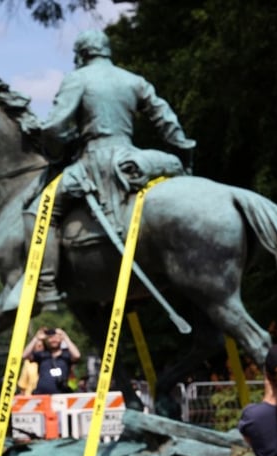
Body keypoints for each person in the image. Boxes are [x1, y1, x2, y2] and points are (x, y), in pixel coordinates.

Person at [28, 29, 197, 305]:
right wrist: (184, 151)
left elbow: (55, 126)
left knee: (39, 211)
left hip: (94, 160)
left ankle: (46, 285)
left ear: (82, 54)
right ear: (106, 51)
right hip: (134, 156)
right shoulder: (133, 80)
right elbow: (166, 120)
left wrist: (56, 147)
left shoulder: (77, 79)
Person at [21, 327, 81, 395]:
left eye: (56, 338)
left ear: (61, 339)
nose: (54, 340)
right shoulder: (42, 355)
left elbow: (77, 355)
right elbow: (24, 355)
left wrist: (65, 337)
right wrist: (36, 338)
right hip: (41, 395)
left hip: (61, 396)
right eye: (51, 338)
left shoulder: (66, 355)